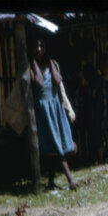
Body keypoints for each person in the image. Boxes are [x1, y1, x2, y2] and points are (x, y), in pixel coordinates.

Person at [29, 37, 78, 190]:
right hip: (44, 112)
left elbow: (57, 80)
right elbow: (39, 82)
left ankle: (50, 182)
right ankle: (70, 178)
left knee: (57, 144)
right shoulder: (30, 66)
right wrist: (34, 63)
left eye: (41, 46)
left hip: (56, 109)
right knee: (55, 145)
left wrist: (49, 61)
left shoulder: (53, 64)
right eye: (36, 46)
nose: (39, 49)